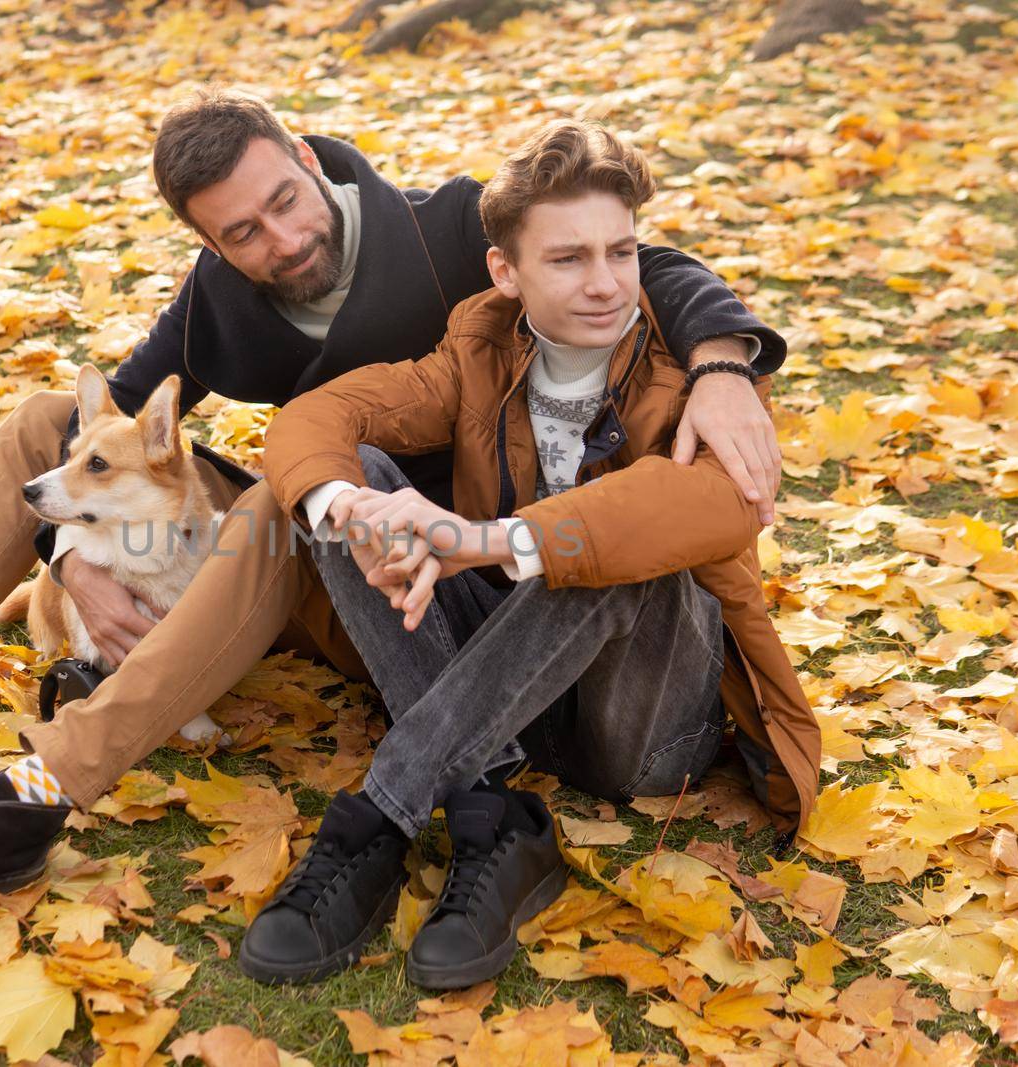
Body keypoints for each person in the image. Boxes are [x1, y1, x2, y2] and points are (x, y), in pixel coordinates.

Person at [0, 91, 787, 904]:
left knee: (275, 507)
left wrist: (727, 359)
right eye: (240, 233)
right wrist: (74, 552)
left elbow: (647, 261)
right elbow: (105, 422)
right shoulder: (221, 300)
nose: (281, 240)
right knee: (39, 424)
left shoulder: (449, 230)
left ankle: (43, 785)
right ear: (207, 242)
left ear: (310, 161)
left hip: (469, 582)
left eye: (285, 202)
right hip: (357, 550)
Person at [232, 121, 821, 988]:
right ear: (506, 273)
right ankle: (493, 809)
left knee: (611, 537)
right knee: (349, 484)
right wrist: (354, 509)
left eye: (621, 253)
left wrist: (486, 541)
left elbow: (724, 504)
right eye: (569, 259)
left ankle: (383, 814)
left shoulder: (700, 369)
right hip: (509, 696)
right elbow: (314, 420)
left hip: (643, 725)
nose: (607, 284)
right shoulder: (479, 345)